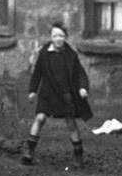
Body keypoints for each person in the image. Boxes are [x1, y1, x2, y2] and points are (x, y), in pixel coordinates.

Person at [22, 21, 93, 167]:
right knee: (40, 118)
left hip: (65, 93)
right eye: (55, 36)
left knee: (70, 122)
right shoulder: (44, 54)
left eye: (61, 35)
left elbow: (80, 74)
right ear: (51, 37)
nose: (58, 39)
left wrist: (82, 88)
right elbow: (37, 74)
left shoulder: (70, 55)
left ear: (65, 37)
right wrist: (33, 91)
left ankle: (78, 156)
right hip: (48, 93)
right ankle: (29, 151)